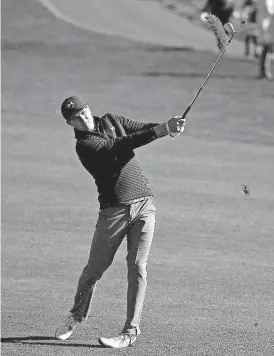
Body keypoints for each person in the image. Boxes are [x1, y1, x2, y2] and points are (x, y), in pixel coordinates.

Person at [55, 96, 186, 348]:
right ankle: (76, 314)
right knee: (95, 269)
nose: (83, 118)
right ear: (70, 123)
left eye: (84, 111)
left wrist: (169, 127)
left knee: (138, 266)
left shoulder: (112, 120)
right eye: (76, 117)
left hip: (145, 204)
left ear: (89, 109)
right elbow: (117, 147)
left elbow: (141, 128)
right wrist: (160, 131)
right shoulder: (85, 145)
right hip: (113, 212)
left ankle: (130, 331)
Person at [257, 0, 274, 80]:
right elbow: (268, 12)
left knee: (267, 51)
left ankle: (264, 72)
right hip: (268, 26)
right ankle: (265, 72)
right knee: (267, 51)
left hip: (268, 25)